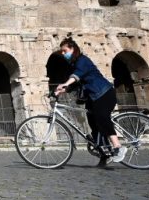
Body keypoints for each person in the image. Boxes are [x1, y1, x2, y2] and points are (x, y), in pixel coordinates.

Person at [54, 37, 127, 165]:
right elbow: (77, 82)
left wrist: (65, 84)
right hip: (92, 97)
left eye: (65, 51)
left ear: (73, 49)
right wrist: (63, 90)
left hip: (104, 93)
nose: (63, 53)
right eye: (62, 51)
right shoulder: (74, 64)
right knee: (94, 125)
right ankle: (105, 155)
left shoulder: (83, 60)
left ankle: (118, 146)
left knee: (102, 117)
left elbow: (77, 75)